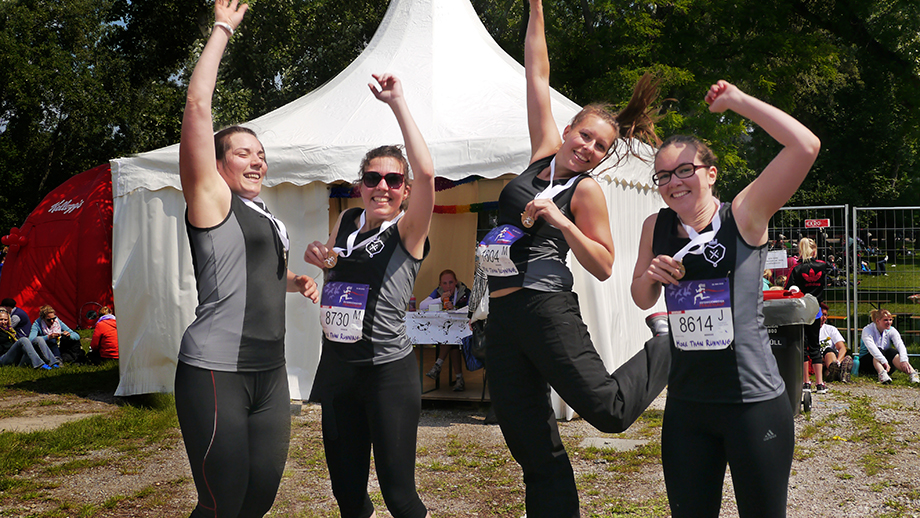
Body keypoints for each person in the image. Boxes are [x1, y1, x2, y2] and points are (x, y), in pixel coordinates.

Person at [479, 2, 671, 516]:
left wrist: (561, 221)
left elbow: (605, 264)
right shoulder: (541, 155)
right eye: (585, 136)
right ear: (567, 132)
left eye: (601, 146)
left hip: (547, 309)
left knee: (608, 411)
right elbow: (536, 72)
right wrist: (536, 7)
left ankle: (667, 343)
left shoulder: (585, 192)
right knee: (531, 446)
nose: (589, 148)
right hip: (502, 317)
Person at [630, 79, 821, 517]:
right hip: (687, 404)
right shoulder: (654, 226)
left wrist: (738, 102)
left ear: (710, 174)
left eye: (684, 170)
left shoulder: (744, 214)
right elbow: (641, 297)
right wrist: (653, 274)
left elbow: (805, 146)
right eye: (663, 176)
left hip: (751, 403)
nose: (674, 183)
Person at [174, 1, 320, 517]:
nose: (257, 159)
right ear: (215, 165)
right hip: (216, 372)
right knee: (220, 505)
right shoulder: (211, 199)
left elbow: (246, 279)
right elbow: (196, 105)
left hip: (270, 373)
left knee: (257, 502)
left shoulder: (263, 215)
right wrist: (222, 29)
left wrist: (293, 280)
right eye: (243, 152)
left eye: (261, 153)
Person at [305, 72, 434, 518]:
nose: (383, 186)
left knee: (399, 496)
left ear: (406, 190)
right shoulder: (346, 221)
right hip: (339, 369)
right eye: (373, 177)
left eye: (394, 180)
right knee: (346, 494)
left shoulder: (408, 229)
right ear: (360, 183)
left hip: (387, 373)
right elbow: (334, 266)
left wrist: (397, 103)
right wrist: (322, 258)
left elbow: (429, 173)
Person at [785, 237, 829, 394]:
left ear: (800, 251)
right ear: (814, 250)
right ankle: (820, 383)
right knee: (815, 344)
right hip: (815, 308)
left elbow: (788, 289)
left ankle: (805, 382)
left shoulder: (796, 269)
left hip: (800, 309)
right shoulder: (823, 266)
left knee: (802, 345)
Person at [421, 269, 470, 391]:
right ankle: (459, 379)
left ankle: (438, 365)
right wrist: (440, 300)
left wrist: (455, 309)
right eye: (444, 283)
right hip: (450, 332)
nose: (448, 286)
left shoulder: (465, 292)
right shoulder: (439, 292)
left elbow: (471, 308)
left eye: (451, 282)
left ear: (456, 282)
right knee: (450, 340)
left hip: (466, 330)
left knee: (449, 337)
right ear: (440, 284)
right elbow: (422, 305)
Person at [859, 309, 920, 384]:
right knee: (878, 350)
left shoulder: (891, 330)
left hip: (887, 365)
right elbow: (871, 348)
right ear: (878, 321)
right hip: (868, 362)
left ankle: (912, 373)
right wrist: (883, 361)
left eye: (890, 320)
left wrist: (904, 360)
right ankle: (882, 374)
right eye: (885, 320)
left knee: (892, 351)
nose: (889, 322)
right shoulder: (867, 330)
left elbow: (900, 344)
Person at [818, 303, 852, 383]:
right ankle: (840, 373)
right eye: (822, 315)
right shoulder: (809, 330)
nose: (824, 318)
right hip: (819, 359)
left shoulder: (831, 329)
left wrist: (838, 361)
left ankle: (835, 370)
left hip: (832, 358)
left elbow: (842, 348)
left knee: (830, 352)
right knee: (828, 351)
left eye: (826, 315)